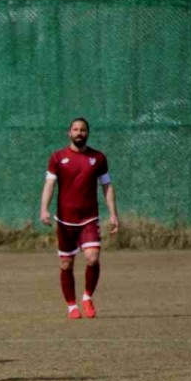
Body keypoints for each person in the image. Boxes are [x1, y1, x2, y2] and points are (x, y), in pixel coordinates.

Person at [39, 117, 119, 319]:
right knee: (66, 264)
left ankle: (87, 297)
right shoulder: (57, 157)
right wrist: (44, 209)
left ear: (87, 133)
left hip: (89, 218)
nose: (79, 133)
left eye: (82, 130)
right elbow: (49, 185)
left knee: (92, 257)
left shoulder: (98, 158)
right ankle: (71, 306)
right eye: (75, 129)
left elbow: (107, 186)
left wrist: (113, 214)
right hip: (65, 220)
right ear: (69, 133)